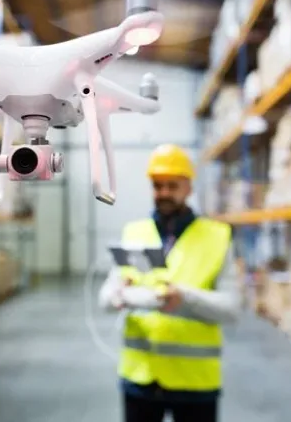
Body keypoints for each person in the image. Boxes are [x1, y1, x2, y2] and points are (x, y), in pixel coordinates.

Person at [98, 143, 241, 422]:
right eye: (157, 186)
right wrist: (118, 293)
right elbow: (105, 298)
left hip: (195, 382)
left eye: (172, 186)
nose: (163, 193)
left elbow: (232, 308)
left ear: (189, 187)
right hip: (140, 378)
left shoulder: (217, 236)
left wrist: (185, 297)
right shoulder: (134, 232)